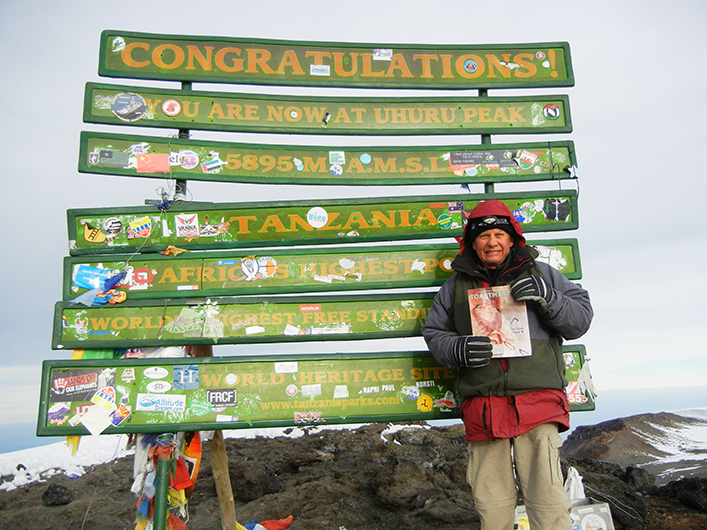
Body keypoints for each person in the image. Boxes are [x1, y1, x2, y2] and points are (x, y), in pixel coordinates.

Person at [422, 200, 593, 530]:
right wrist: (457, 348)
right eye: (484, 236)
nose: (492, 242)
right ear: (472, 243)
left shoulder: (542, 274)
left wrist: (548, 296)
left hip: (537, 402)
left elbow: (580, 320)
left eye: (500, 233)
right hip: (484, 406)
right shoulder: (455, 287)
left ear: (513, 238)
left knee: (549, 502)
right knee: (491, 505)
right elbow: (434, 333)